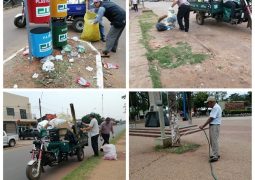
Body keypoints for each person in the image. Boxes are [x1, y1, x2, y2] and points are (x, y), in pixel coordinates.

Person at [199, 96, 222, 163]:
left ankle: (215, 156)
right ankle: (216, 154)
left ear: (211, 102)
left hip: (214, 126)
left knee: (214, 141)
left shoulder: (215, 108)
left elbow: (211, 118)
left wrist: (203, 126)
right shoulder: (217, 107)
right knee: (214, 140)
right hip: (215, 125)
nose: (208, 105)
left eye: (208, 103)